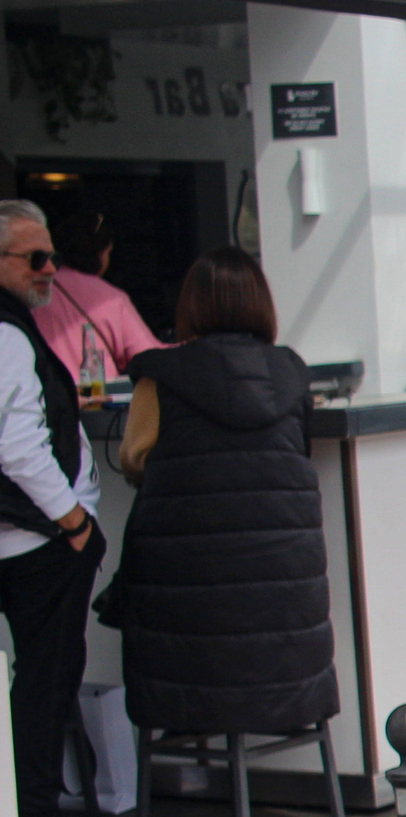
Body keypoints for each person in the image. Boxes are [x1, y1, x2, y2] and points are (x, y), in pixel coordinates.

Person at [116, 249, 336, 745]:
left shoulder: (161, 378)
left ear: (190, 307)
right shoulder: (292, 374)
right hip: (285, 619)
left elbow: (135, 459)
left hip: (192, 626)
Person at [0, 201, 114, 817]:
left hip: (28, 533)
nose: (50, 270)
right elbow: (17, 446)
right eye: (34, 259)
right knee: (44, 681)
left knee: (38, 681)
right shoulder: (10, 335)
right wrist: (73, 523)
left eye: (51, 256)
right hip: (37, 539)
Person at [37, 210, 162, 390]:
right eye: (109, 252)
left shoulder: (36, 290)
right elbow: (148, 357)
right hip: (99, 400)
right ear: (101, 252)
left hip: (48, 397)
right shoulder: (111, 298)